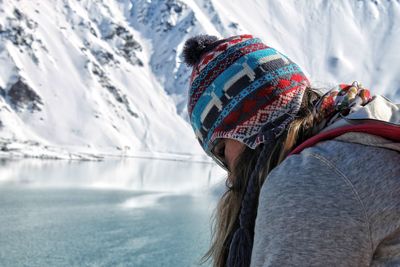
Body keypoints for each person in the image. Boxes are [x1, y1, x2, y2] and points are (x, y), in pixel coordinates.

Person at [182, 34, 400, 267]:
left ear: (244, 129)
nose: (229, 173)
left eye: (221, 150)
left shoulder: (310, 181)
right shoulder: (368, 127)